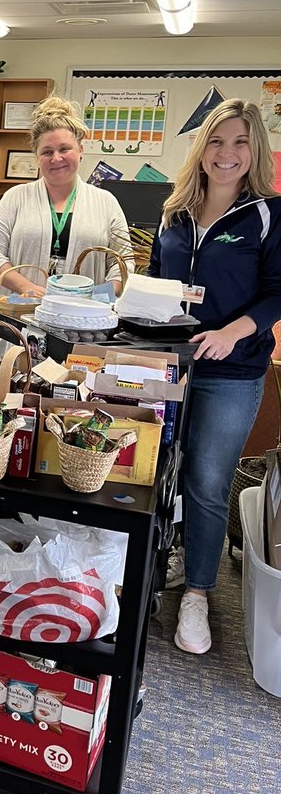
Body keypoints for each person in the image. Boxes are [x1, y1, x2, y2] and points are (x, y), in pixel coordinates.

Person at [151, 99, 281, 655]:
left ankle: (198, 593)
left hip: (233, 371)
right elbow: (159, 284)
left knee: (206, 483)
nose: (226, 154)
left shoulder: (269, 214)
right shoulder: (175, 213)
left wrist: (234, 331)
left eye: (239, 143)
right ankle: (170, 556)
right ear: (201, 148)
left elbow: (279, 290)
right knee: (159, 471)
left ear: (255, 151)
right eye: (216, 141)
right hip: (169, 368)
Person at [0, 95, 134, 296]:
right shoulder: (15, 198)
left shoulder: (106, 203)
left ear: (80, 150)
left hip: (83, 318)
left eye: (64, 149)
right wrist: (28, 288)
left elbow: (123, 263)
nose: (56, 158)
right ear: (37, 157)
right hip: (21, 314)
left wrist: (97, 297)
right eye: (47, 152)